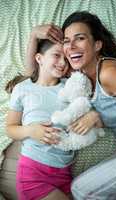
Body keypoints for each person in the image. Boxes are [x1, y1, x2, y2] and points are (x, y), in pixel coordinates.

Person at [25, 11, 116, 200]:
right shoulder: (78, 76)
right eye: (67, 41)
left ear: (97, 44)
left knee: (81, 191)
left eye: (80, 38)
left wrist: (96, 116)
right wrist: (34, 35)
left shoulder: (110, 73)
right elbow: (33, 75)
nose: (71, 46)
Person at [6, 38, 99, 200]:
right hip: (33, 173)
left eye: (65, 58)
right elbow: (10, 128)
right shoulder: (23, 89)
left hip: (65, 171)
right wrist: (31, 130)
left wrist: (93, 115)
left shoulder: (70, 86)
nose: (62, 63)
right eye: (56, 55)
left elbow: (88, 105)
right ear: (39, 58)